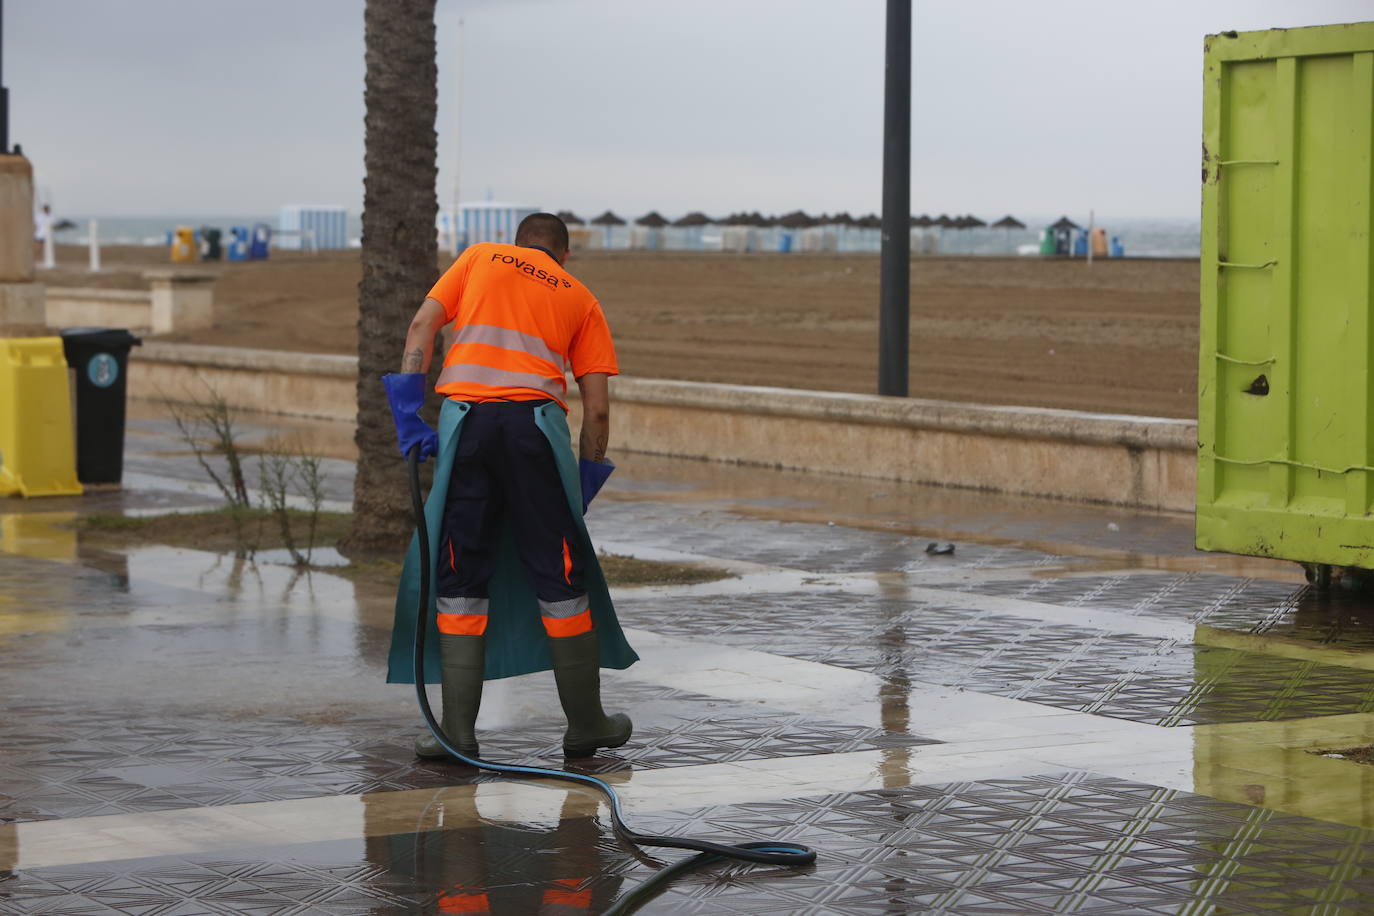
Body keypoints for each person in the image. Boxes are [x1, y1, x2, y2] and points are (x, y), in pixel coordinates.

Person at [383, 212, 636, 761]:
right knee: (559, 571)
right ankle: (586, 725)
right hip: (533, 435)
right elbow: (595, 410)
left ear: (519, 244)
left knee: (459, 568)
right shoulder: (581, 297)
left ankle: (457, 732)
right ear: (563, 256)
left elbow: (422, 327)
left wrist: (407, 413)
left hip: (467, 426)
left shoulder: (479, 258)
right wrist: (585, 478)